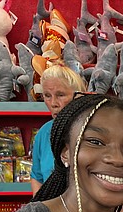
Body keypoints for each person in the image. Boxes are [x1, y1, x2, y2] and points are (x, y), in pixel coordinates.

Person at [31, 65, 86, 195]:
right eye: (47, 96)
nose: (53, 103)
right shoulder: (44, 133)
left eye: (60, 95)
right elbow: (37, 178)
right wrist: (39, 210)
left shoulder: (97, 129)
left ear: (78, 96)